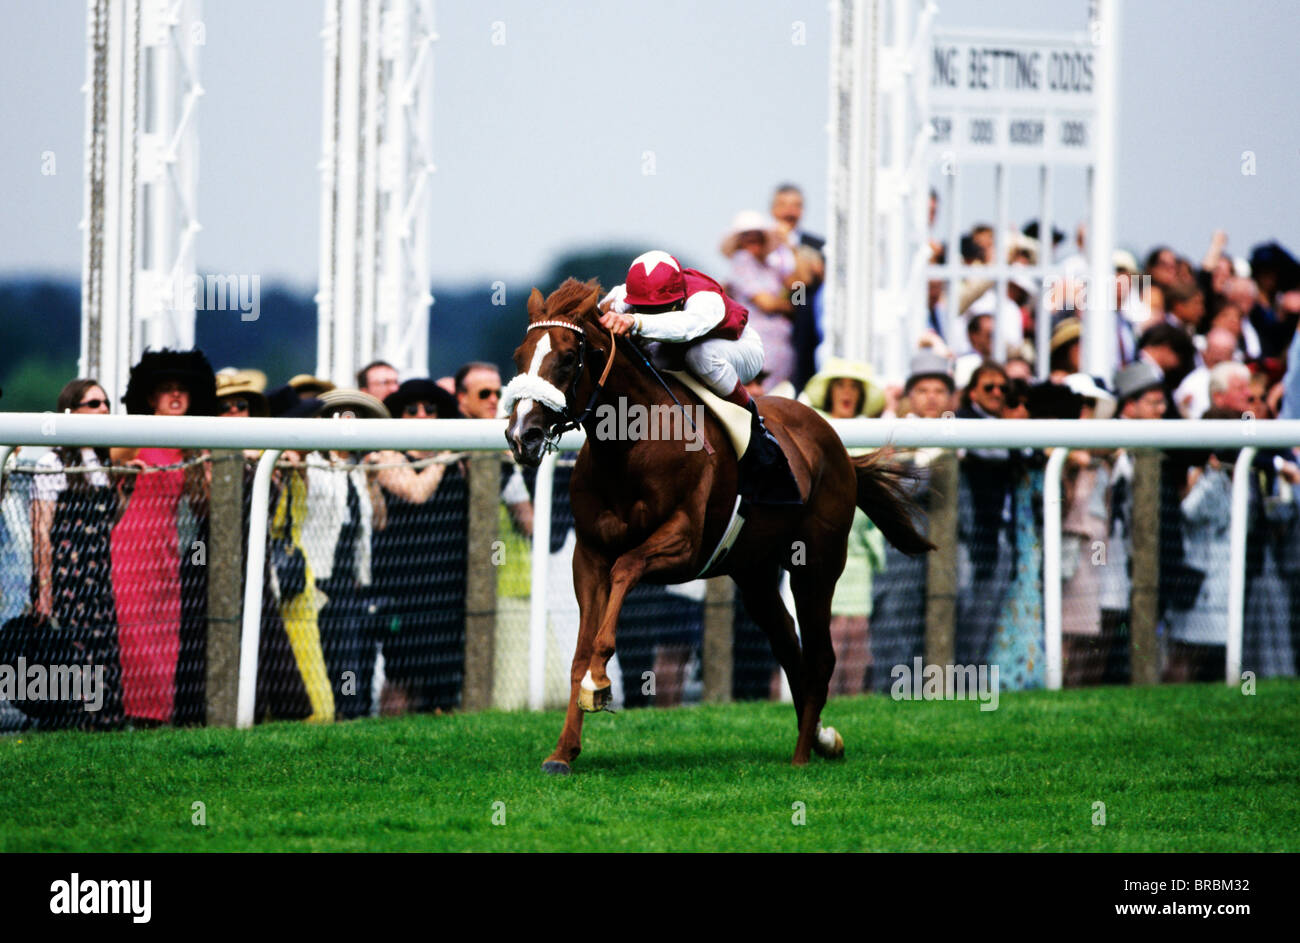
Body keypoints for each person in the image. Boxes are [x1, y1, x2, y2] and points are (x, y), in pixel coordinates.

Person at [599, 249, 801, 504]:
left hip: (737, 348)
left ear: (678, 295)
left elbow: (686, 328)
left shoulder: (704, 297)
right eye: (644, 309)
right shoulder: (623, 296)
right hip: (679, 352)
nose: (651, 315)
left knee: (699, 355)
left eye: (660, 309)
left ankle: (753, 423)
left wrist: (636, 321)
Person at [110, 349, 217, 726]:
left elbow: (204, 508)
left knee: (165, 631)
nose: (175, 396)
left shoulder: (191, 444)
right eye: (167, 389)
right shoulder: (137, 433)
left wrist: (203, 471)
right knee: (132, 631)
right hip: (129, 544)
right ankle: (131, 713)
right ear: (151, 397)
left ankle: (157, 715)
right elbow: (110, 462)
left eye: (182, 390)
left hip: (166, 547)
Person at [28, 379, 124, 729]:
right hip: (66, 576)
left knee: (103, 653)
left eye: (105, 403)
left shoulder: (103, 463)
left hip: (98, 575)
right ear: (72, 410)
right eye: (93, 403)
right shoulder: (52, 462)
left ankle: (104, 724)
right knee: (70, 652)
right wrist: (44, 589)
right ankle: (69, 724)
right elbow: (41, 531)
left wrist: (126, 487)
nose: (102, 409)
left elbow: (110, 520)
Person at [371, 379, 467, 713]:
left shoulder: (461, 461)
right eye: (412, 410)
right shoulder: (387, 455)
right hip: (402, 583)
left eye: (431, 409)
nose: (423, 415)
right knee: (401, 674)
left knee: (443, 675)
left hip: (448, 584)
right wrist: (441, 456)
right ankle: (389, 738)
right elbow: (416, 492)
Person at [799, 359, 886, 694]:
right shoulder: (815, 426)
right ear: (831, 392)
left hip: (860, 548)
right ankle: (821, 696)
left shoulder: (872, 433)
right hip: (820, 543)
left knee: (858, 630)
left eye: (854, 387)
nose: (847, 393)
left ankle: (853, 699)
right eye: (841, 385)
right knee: (828, 626)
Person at [307, 390, 390, 719]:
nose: (347, 422)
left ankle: (349, 711)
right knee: (322, 652)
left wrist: (371, 481)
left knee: (348, 655)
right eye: (340, 414)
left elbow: (377, 521)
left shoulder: (358, 471)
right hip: (314, 577)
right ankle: (324, 712)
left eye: (354, 416)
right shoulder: (312, 465)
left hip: (347, 580)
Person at [718, 211, 801, 390]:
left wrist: (792, 251)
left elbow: (799, 292)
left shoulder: (771, 266)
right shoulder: (741, 261)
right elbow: (767, 303)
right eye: (747, 237)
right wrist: (789, 305)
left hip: (782, 344)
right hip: (759, 343)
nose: (753, 241)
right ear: (739, 241)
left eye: (758, 237)